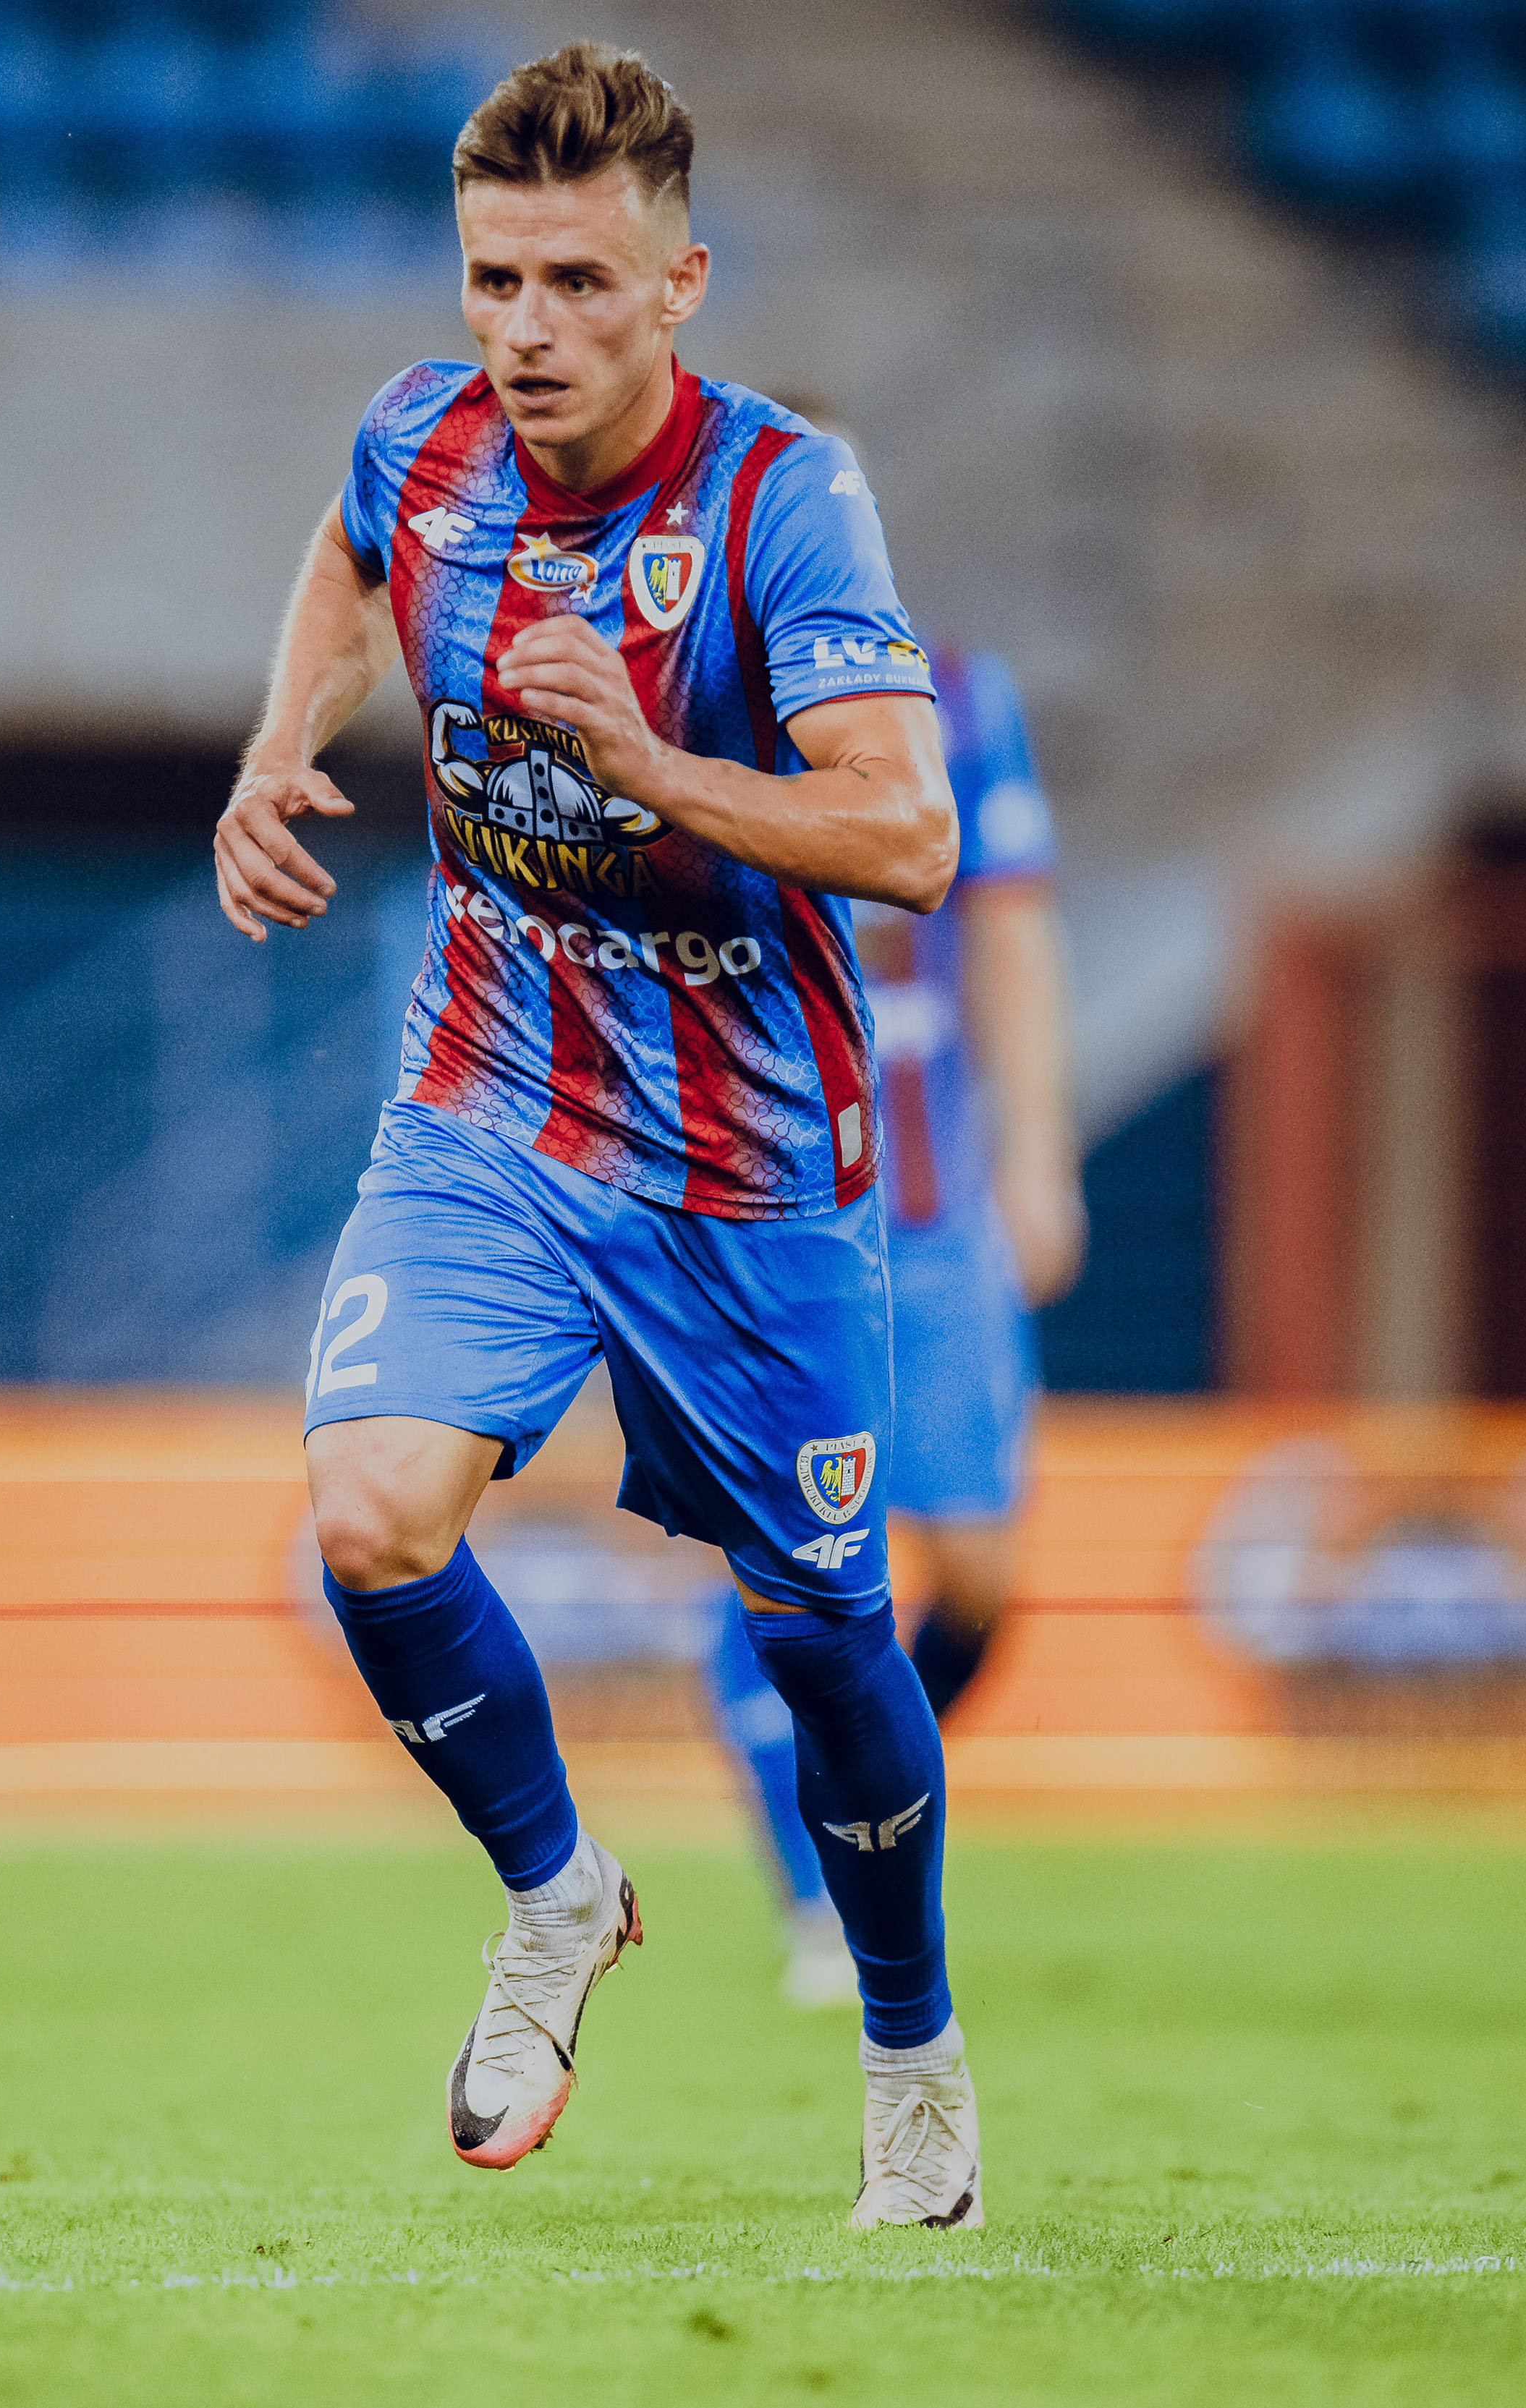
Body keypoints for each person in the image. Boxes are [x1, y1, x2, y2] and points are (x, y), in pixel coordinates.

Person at [211, 43, 982, 2230]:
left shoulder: (778, 502)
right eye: (492, 279)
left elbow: (909, 837)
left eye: (574, 282)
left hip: (748, 1170)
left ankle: (910, 2055)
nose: (525, 329)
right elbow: (347, 551)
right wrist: (277, 747)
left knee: (825, 1638)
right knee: (369, 1514)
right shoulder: (420, 438)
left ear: (679, 286)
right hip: (489, 1108)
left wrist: (645, 766)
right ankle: (557, 1893)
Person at [703, 644, 1082, 2009]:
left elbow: (1012, 924)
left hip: (930, 1214)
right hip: (761, 1208)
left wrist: (1038, 1152)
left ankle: (855, 1785)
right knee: (782, 1558)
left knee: (979, 1574)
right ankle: (824, 1886)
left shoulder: (963, 698)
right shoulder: (682, 688)